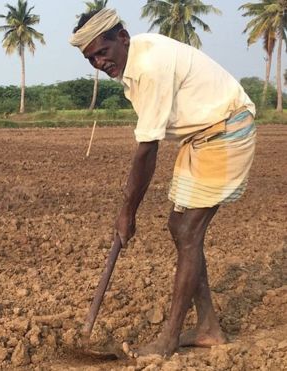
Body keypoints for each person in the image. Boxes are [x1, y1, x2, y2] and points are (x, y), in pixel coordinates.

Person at [69, 8, 257, 357]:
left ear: (122, 38)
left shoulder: (151, 66)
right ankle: (208, 328)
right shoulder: (135, 64)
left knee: (188, 232)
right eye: (90, 57)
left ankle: (170, 339)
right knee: (180, 227)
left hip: (226, 129)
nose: (98, 62)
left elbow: (146, 151)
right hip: (201, 136)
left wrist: (127, 212)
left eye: (102, 52)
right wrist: (128, 211)